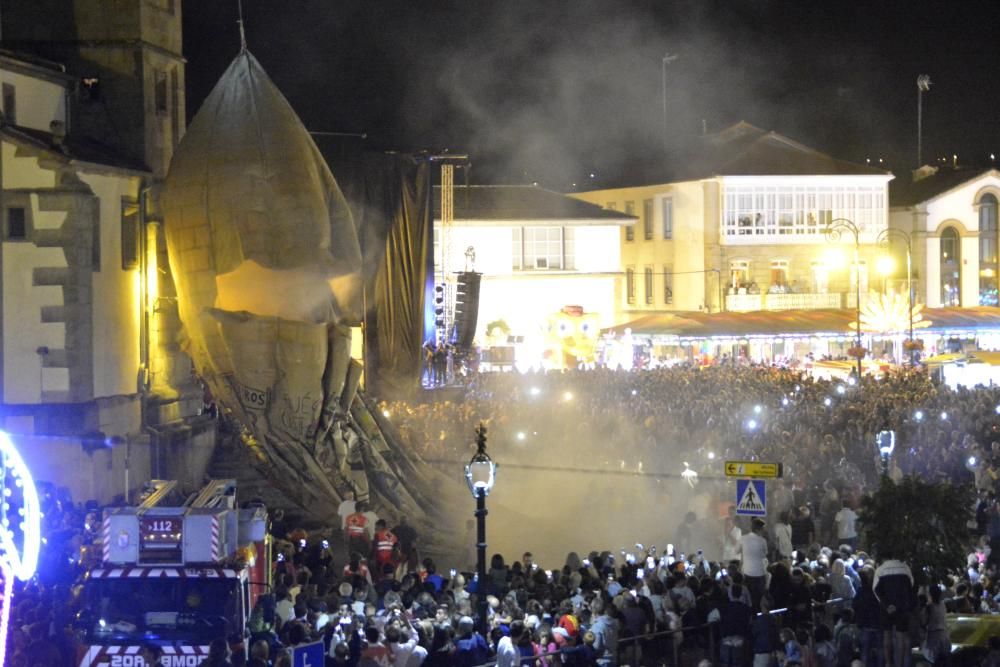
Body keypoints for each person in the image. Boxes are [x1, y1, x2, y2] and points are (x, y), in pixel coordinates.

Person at [873, 555, 914, 667]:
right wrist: (900, 604)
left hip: (886, 609)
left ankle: (888, 663)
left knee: (887, 634)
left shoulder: (880, 569)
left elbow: (876, 590)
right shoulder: (905, 568)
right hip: (902, 607)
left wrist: (887, 605)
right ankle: (900, 664)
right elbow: (911, 585)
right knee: (901, 636)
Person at [739, 518, 768, 610]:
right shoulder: (762, 541)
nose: (764, 531)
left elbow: (736, 550)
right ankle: (759, 614)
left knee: (749, 597)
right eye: (763, 529)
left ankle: (751, 615)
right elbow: (765, 554)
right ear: (758, 529)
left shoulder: (743, 538)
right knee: (760, 598)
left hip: (748, 572)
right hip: (760, 573)